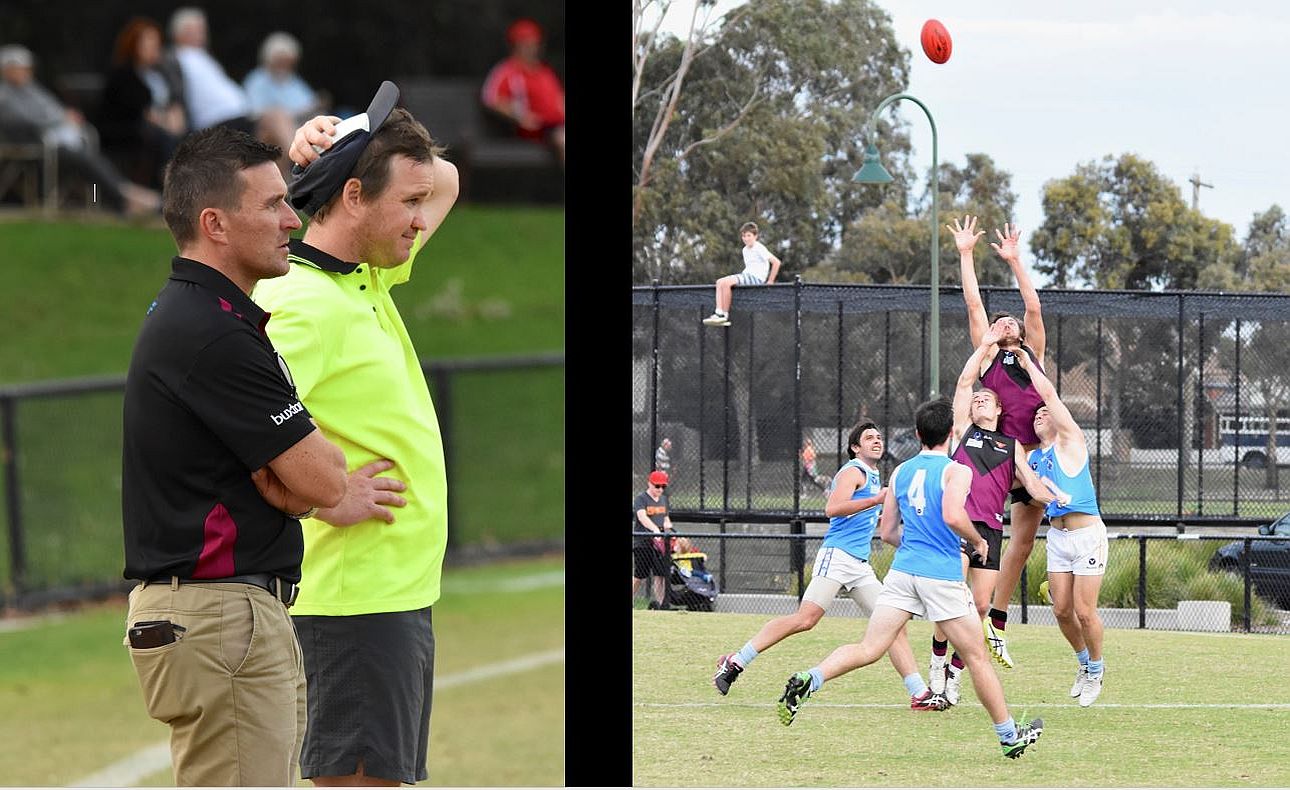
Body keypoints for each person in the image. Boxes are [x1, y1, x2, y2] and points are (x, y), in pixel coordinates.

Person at [120, 125, 349, 786]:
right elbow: (326, 481)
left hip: (219, 612)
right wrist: (302, 481)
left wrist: (299, 483)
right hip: (220, 613)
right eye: (273, 204)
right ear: (215, 223)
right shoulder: (211, 330)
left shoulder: (204, 313)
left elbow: (305, 483)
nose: (293, 218)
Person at [252, 82, 461, 785]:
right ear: (350, 199)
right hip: (351, 604)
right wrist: (321, 500)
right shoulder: (298, 303)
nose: (421, 219)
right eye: (407, 204)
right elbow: (228, 436)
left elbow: (446, 181)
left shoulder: (366, 274)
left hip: (392, 597)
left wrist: (344, 130)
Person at [775, 398, 1045, 760]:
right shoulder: (956, 471)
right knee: (977, 656)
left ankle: (810, 678)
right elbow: (952, 515)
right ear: (951, 433)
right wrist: (977, 540)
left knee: (869, 649)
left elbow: (887, 532)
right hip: (941, 575)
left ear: (918, 434)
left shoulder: (900, 472)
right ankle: (1009, 736)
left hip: (902, 573)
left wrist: (916, 545)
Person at [713, 422, 948, 711]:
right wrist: (875, 500)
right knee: (805, 620)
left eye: (878, 437)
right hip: (836, 556)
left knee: (893, 625)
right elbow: (832, 508)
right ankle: (735, 661)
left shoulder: (876, 476)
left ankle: (919, 694)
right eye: (868, 438)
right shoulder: (854, 471)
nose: (876, 441)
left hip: (860, 566)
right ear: (855, 447)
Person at [929, 328, 1063, 706]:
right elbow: (965, 380)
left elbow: (1034, 487)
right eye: (977, 400)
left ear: (1000, 409)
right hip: (959, 527)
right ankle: (937, 666)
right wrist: (986, 345)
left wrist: (1065, 500)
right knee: (953, 601)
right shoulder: (961, 434)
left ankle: (954, 673)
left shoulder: (1011, 446)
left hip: (989, 532)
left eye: (987, 399)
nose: (980, 401)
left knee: (980, 607)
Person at [947, 214, 1050, 668]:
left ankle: (997, 622)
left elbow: (1033, 307)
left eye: (1011, 321)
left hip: (1032, 458)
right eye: (1000, 319)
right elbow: (973, 307)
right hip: (996, 460)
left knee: (1023, 543)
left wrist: (1014, 261)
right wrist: (966, 254)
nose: (1006, 321)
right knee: (977, 540)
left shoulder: (1034, 357)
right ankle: (949, 632)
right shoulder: (986, 359)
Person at [1014, 348, 1108, 707]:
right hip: (1058, 536)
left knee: (1085, 612)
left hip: (1087, 535)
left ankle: (1097, 670)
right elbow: (1035, 497)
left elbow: (1049, 395)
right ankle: (1084, 664)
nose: (1040, 415)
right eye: (1035, 414)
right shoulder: (1033, 460)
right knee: (1060, 610)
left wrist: (1027, 363)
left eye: (1044, 412)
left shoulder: (1071, 442)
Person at [0, 43, 159, 214]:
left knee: (89, 155)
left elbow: (55, 109)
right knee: (86, 159)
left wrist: (68, 117)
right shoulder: (4, 96)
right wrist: (61, 119)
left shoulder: (33, 89)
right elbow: (25, 121)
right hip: (34, 146)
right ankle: (122, 196)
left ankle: (117, 196)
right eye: (19, 68)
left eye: (27, 67)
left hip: (56, 142)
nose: (25, 71)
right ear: (6, 70)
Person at [96, 17, 186, 189]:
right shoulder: (123, 74)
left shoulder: (159, 73)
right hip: (126, 130)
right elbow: (138, 109)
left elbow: (174, 100)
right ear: (134, 45)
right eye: (148, 43)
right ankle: (164, 189)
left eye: (156, 43)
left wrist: (175, 118)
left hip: (161, 126)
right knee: (164, 139)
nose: (153, 48)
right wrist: (166, 123)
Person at [480, 18, 565, 166]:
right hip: (534, 129)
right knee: (563, 139)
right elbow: (491, 98)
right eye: (525, 44)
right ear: (515, 46)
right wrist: (520, 116)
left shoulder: (544, 72)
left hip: (555, 125)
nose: (530, 48)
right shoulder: (507, 70)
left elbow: (559, 99)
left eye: (533, 44)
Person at [703, 222, 781, 327]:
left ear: (755, 236)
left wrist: (770, 281)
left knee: (726, 283)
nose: (746, 238)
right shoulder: (744, 250)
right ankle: (718, 312)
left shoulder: (759, 248)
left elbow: (776, 262)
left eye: (749, 235)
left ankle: (724, 314)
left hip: (756, 278)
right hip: (747, 275)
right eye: (744, 236)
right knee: (719, 282)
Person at [243, 32, 327, 126]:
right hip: (269, 130)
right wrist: (296, 113)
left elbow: (308, 104)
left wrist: (317, 105)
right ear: (269, 59)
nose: (284, 66)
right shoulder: (257, 79)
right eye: (281, 61)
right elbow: (255, 114)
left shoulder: (294, 80)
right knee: (279, 117)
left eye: (288, 62)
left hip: (299, 125)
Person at [633, 470, 674, 609]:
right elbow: (642, 517)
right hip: (643, 543)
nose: (660, 489)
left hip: (659, 544)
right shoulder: (641, 499)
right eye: (657, 486)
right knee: (640, 575)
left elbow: (666, 518)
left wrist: (668, 527)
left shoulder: (663, 500)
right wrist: (654, 529)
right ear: (649, 483)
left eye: (663, 487)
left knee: (660, 574)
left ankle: (662, 605)